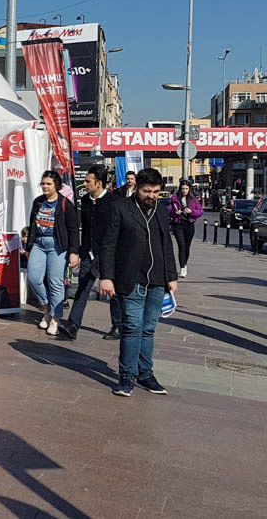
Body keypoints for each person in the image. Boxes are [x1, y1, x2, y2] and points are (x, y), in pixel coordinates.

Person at [99, 167, 178, 397]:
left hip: (157, 280)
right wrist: (106, 277)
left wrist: (171, 276)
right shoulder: (120, 209)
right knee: (132, 328)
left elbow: (166, 246)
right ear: (137, 188)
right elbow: (108, 245)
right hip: (130, 279)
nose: (151, 196)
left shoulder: (161, 212)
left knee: (149, 329)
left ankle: (146, 374)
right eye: (147, 191)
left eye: (155, 192)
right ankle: (127, 377)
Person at [60, 165, 120, 340]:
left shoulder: (114, 202)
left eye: (88, 181)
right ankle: (73, 325)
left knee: (112, 291)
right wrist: (79, 251)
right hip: (88, 253)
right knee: (83, 289)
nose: (84, 184)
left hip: (108, 255)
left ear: (99, 183)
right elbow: (84, 229)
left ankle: (118, 326)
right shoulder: (85, 201)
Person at [26, 170, 79, 336]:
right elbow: (32, 225)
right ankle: (46, 308)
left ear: (56, 185)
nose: (45, 187)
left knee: (55, 281)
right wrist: (29, 246)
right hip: (39, 243)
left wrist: (73, 252)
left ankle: (56, 318)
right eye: (43, 183)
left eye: (48, 184)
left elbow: (73, 229)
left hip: (57, 245)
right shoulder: (38, 202)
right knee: (33, 278)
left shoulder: (64, 204)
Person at [167, 179, 204, 279]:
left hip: (189, 225)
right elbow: (169, 210)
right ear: (180, 189)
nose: (184, 190)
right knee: (181, 246)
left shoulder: (193, 199)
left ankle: (185, 264)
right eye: (183, 188)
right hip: (178, 224)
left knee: (187, 247)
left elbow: (200, 211)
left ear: (189, 189)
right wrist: (175, 212)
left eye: (186, 189)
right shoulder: (175, 199)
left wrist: (191, 211)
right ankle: (182, 267)